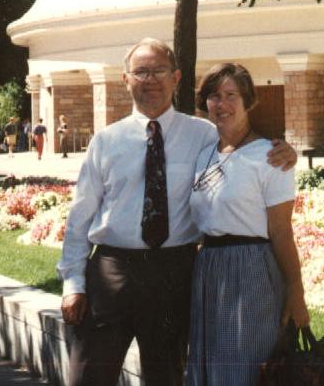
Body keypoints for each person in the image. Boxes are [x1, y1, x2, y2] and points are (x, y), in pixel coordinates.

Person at [57, 38, 297, 386]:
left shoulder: (203, 134)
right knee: (87, 376)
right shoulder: (106, 141)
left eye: (159, 71)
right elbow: (80, 216)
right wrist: (73, 282)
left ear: (176, 77)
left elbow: (243, 144)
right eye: (140, 72)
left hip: (173, 272)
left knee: (166, 377)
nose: (150, 79)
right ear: (126, 80)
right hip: (111, 271)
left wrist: (283, 149)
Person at [186, 63, 310, 386]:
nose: (221, 104)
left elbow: (281, 231)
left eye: (231, 95)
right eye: (214, 96)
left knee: (245, 368)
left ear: (247, 101)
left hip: (251, 270)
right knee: (211, 368)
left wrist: (296, 291)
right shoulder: (204, 155)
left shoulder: (270, 157)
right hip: (209, 271)